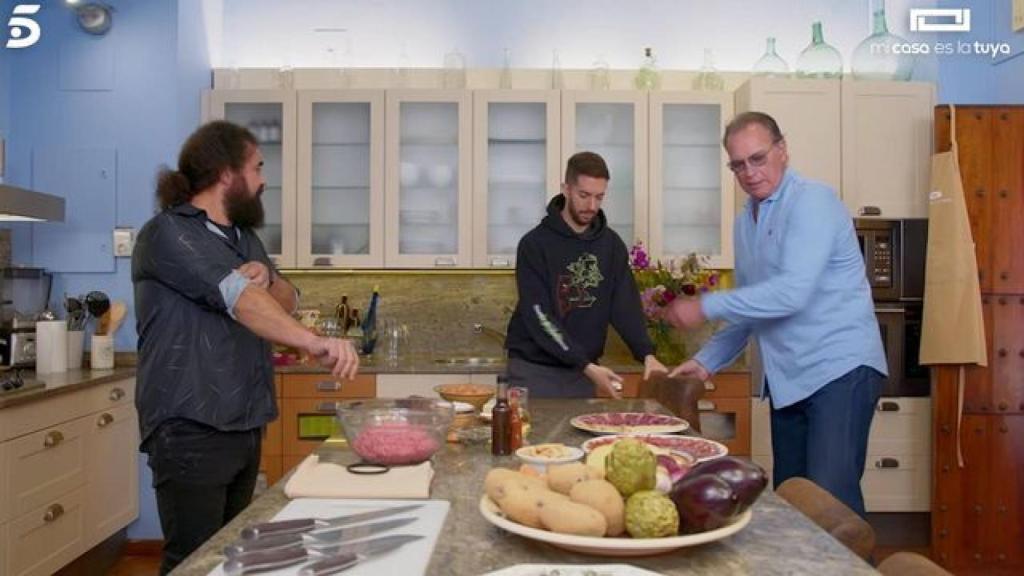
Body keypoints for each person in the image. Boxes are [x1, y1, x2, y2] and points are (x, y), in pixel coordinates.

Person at [132, 120, 360, 574]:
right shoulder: (168, 234)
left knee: (234, 552)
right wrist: (313, 342)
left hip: (242, 421)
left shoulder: (241, 237)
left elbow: (288, 297)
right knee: (193, 561)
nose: (263, 179)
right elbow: (239, 299)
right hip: (191, 424)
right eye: (256, 167)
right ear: (224, 173)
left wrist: (268, 275)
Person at [663, 111, 887, 517]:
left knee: (831, 508)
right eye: (737, 164)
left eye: (758, 158)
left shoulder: (813, 201)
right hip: (791, 380)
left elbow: (790, 293)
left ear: (782, 150)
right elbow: (753, 308)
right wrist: (704, 362)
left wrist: (705, 304)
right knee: (793, 504)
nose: (749, 172)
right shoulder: (744, 222)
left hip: (839, 369)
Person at [504, 151, 666, 398]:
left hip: (583, 373)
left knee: (578, 437)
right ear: (566, 189)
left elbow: (625, 306)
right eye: (584, 195)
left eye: (599, 197)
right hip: (533, 371)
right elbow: (540, 317)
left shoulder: (611, 246)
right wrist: (585, 364)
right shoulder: (534, 244)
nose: (591, 206)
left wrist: (647, 354)